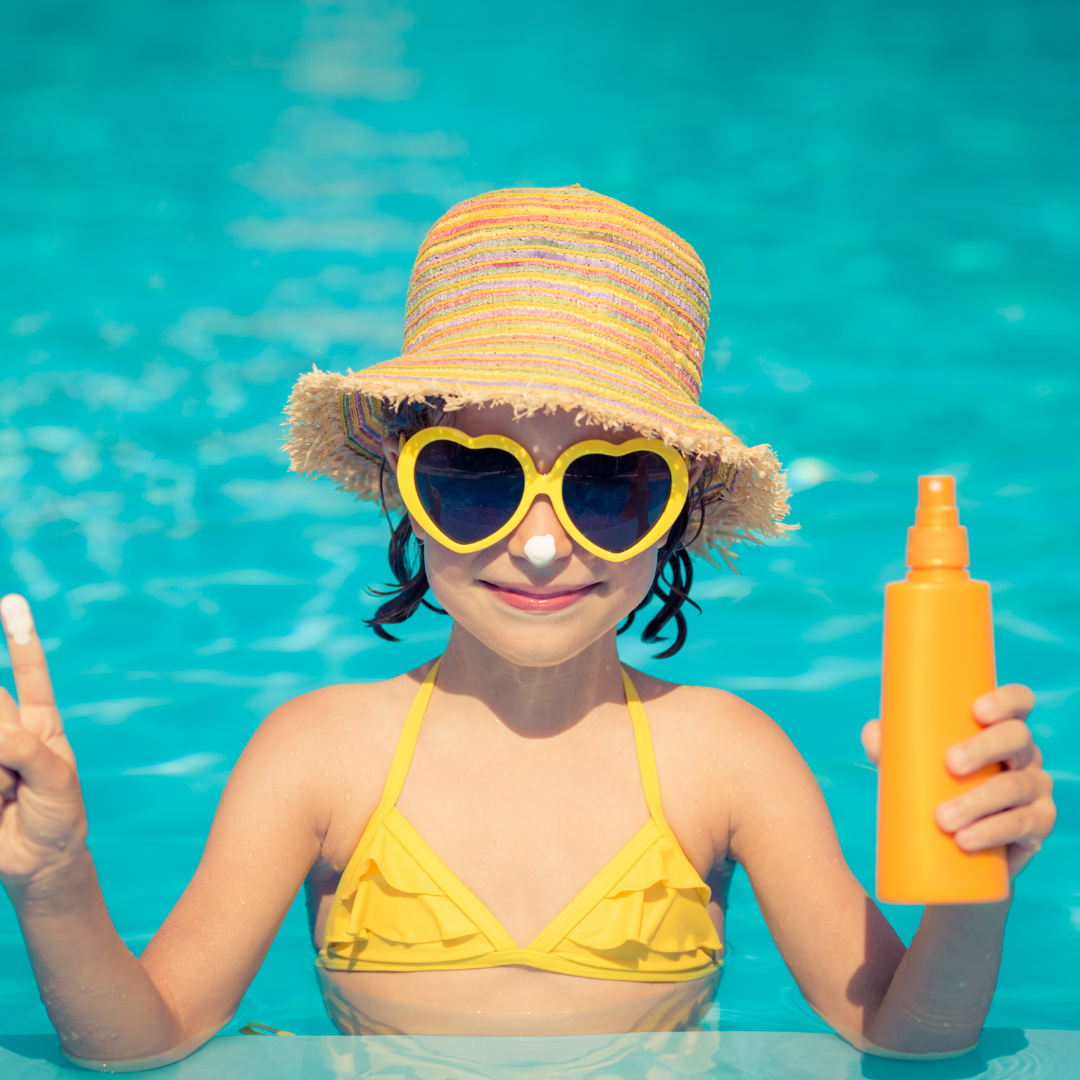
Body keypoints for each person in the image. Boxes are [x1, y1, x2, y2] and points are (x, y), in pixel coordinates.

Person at [0, 186, 1056, 1070]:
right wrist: (54, 878)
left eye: (608, 489)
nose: (542, 549)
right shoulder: (319, 756)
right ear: (404, 496)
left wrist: (977, 890)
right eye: (473, 480)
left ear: (675, 516)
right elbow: (142, 1039)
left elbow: (902, 1036)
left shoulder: (727, 760)